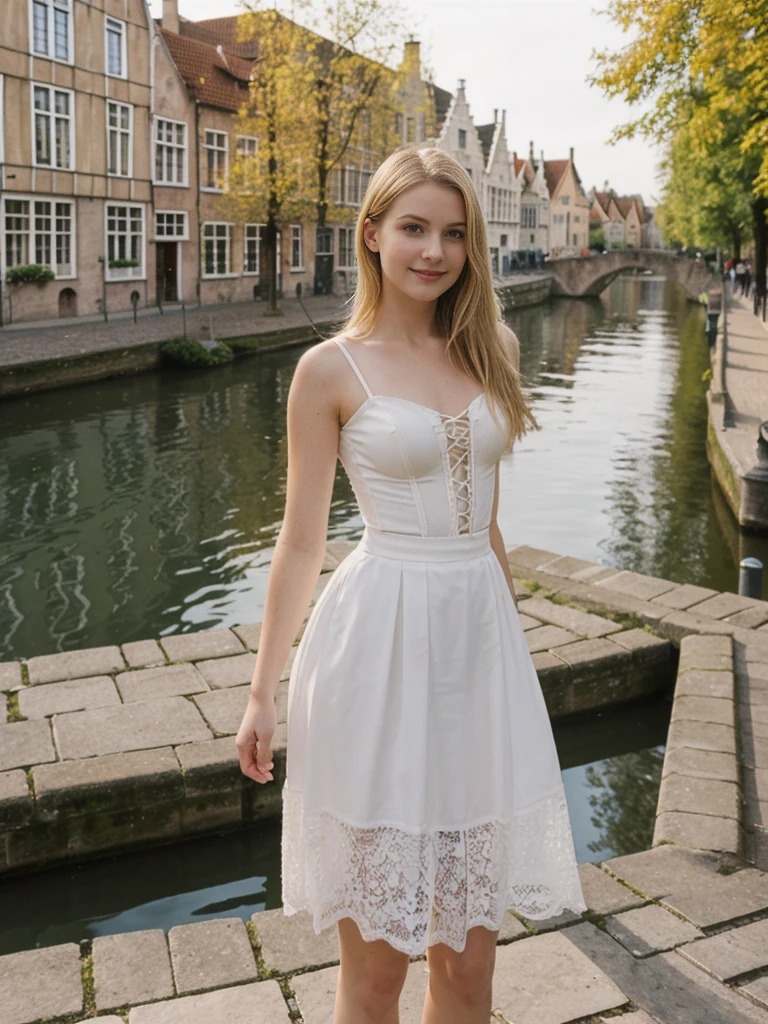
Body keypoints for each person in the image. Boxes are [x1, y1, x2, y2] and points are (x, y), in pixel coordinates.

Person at [235, 146, 586, 1024]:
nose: (435, 251)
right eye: (415, 228)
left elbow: (489, 519)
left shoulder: (494, 345)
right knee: (377, 976)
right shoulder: (328, 370)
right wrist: (262, 696)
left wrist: (508, 651)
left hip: (476, 652)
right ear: (373, 236)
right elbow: (300, 541)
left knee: (469, 969)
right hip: (376, 652)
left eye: (454, 233)